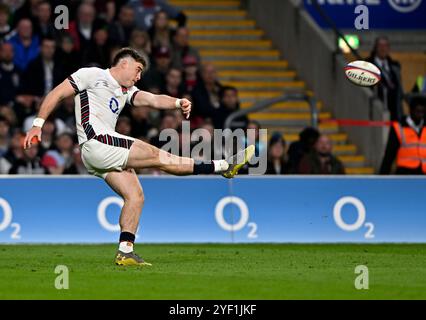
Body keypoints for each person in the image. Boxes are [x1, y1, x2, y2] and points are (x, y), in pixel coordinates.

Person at [24, 47, 254, 266]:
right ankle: (224, 166)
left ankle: (125, 252)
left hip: (101, 154)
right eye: (137, 70)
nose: (138, 76)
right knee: (157, 155)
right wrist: (37, 124)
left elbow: (153, 99)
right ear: (124, 64)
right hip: (98, 142)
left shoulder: (125, 91)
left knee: (135, 196)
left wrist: (177, 102)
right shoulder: (92, 74)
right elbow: (57, 93)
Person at [380, 97, 426, 174]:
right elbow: (389, 156)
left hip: (423, 175)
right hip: (404, 174)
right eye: (417, 111)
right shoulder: (398, 128)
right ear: (410, 111)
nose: (420, 115)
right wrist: (381, 179)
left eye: (423, 112)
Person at [366, 36, 404, 121]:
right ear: (375, 48)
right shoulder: (368, 65)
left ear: (389, 48)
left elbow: (399, 89)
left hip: (394, 112)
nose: (383, 49)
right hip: (377, 111)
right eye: (380, 45)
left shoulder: (395, 66)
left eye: (385, 46)